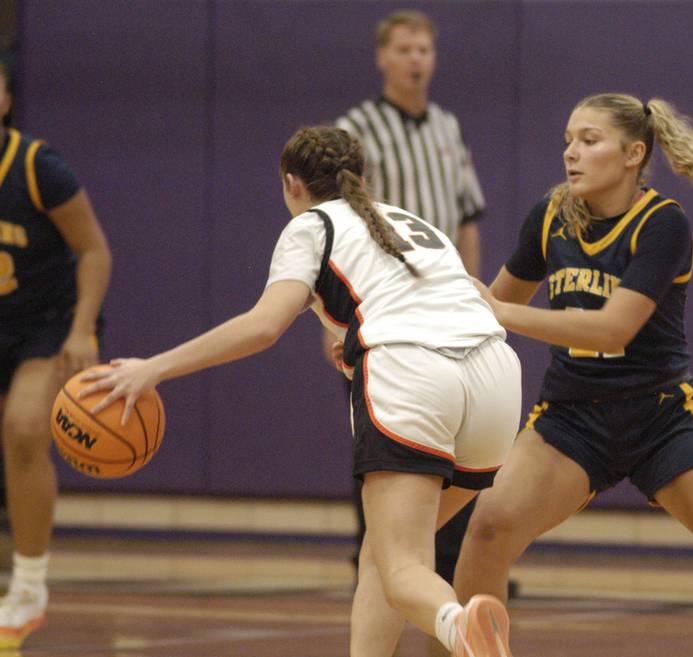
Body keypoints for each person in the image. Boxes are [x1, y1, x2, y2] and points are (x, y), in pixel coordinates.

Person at [80, 125, 522, 657]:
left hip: (416, 374)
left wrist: (153, 368)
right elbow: (455, 297)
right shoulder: (414, 223)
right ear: (363, 178)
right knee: (381, 558)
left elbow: (263, 326)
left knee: (402, 565)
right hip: (496, 379)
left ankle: (458, 625)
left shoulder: (311, 225)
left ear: (292, 184)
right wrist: (354, 341)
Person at [453, 92, 693, 637]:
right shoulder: (550, 218)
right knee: (489, 527)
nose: (572, 153)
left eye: (589, 141)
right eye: (568, 141)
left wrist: (502, 312)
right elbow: (488, 312)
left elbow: (613, 328)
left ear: (633, 153)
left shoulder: (663, 224)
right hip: (570, 421)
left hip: (661, 419)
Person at [332, 9, 488, 591]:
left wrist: (477, 295)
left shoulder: (447, 126)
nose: (417, 59)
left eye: (424, 49)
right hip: (383, 311)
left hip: (447, 311)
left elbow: (468, 215)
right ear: (383, 58)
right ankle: (372, 557)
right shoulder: (356, 129)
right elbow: (337, 225)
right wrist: (335, 322)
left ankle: (448, 563)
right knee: (381, 446)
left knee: (459, 440)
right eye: (405, 49)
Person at [0, 60, 112, 648]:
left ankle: (29, 586)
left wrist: (81, 331)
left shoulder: (37, 167)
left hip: (46, 324)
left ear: (5, 98)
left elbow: (93, 251)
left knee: (22, 428)